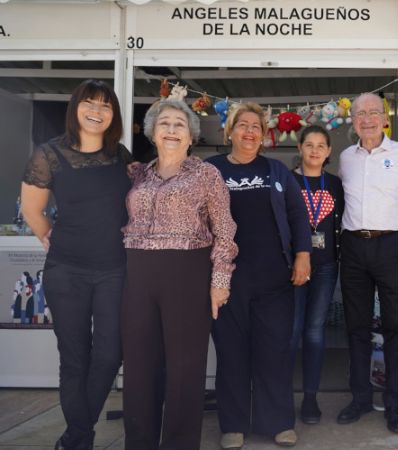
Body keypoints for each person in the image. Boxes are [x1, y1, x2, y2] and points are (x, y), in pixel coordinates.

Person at [121, 98, 238, 450]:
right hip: (138, 272)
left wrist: (220, 283)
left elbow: (225, 231)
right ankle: (139, 442)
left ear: (190, 138)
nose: (171, 130)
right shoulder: (138, 173)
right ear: (153, 133)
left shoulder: (206, 175)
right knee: (139, 365)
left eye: (179, 125)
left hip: (187, 272)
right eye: (165, 124)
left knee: (184, 368)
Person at [20, 79, 130, 450]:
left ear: (113, 114)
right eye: (89, 103)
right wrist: (52, 236)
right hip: (67, 271)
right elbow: (33, 212)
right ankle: (80, 439)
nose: (97, 111)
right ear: (75, 108)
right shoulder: (49, 154)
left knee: (111, 352)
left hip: (115, 269)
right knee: (74, 357)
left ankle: (76, 435)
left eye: (105, 105)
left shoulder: (121, 155)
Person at [206, 101, 312, 449]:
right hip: (226, 280)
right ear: (230, 131)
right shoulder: (211, 170)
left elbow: (298, 215)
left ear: (264, 135)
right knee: (231, 352)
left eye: (256, 127)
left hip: (273, 279)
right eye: (243, 125)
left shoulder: (276, 170)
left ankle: (278, 422)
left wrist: (302, 256)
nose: (250, 131)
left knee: (274, 351)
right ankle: (233, 423)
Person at [336, 92, 398, 434]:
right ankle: (359, 398)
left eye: (374, 112)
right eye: (361, 114)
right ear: (353, 121)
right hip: (354, 248)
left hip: (394, 247)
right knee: (356, 328)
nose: (368, 119)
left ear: (385, 118)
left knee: (396, 328)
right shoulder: (345, 158)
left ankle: (394, 405)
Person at [289, 125, 345, 425]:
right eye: (308, 144)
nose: (314, 150)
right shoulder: (287, 180)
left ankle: (310, 397)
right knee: (292, 330)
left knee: (314, 330)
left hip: (325, 266)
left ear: (328, 151)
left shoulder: (335, 183)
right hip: (294, 266)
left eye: (320, 145)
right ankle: (283, 397)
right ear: (299, 148)